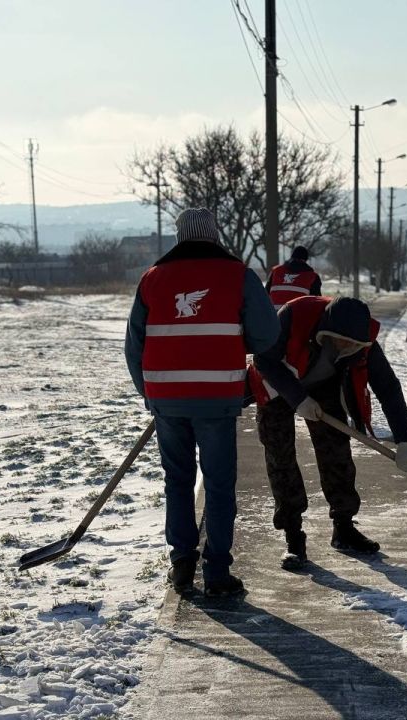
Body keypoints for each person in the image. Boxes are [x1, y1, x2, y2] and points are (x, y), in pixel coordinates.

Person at [125, 208, 279, 596]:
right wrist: (235, 341)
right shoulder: (238, 275)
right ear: (214, 236)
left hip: (167, 400)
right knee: (219, 484)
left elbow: (133, 346)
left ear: (179, 237)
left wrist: (150, 394)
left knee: (177, 480)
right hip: (217, 397)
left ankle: (181, 563)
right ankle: (217, 573)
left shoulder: (152, 278)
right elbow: (267, 334)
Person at [249, 295, 407, 570]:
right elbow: (264, 360)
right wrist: (298, 399)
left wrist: (405, 440)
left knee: (336, 452)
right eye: (340, 341)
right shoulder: (292, 317)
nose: (346, 348)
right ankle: (293, 537)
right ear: (326, 331)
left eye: (353, 345)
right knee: (281, 457)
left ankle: (344, 527)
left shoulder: (364, 340)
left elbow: (387, 387)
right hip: (277, 384)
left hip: (323, 385)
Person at [265, 245, 322, 310]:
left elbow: (264, 295)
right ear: (305, 260)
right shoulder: (312, 276)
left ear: (291, 257)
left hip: (273, 314)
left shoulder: (276, 271)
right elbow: (317, 303)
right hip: (297, 314)